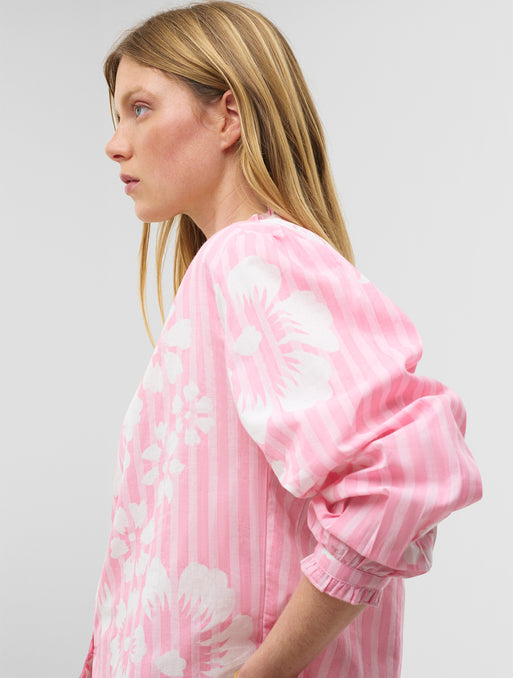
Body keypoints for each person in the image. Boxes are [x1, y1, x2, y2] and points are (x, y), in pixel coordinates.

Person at [79, 2, 482, 677]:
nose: (115, 144)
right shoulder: (231, 273)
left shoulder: (252, 256)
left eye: (140, 108)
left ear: (228, 116)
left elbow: (407, 470)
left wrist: (263, 672)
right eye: (117, 116)